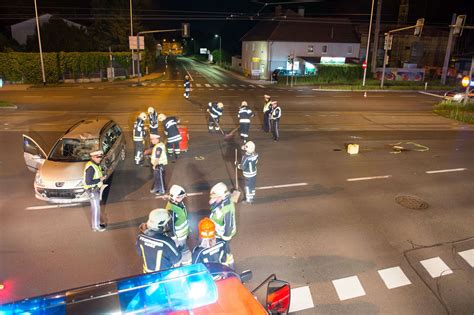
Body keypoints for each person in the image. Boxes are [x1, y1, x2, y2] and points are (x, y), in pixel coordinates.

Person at [136, 208, 182, 273]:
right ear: (160, 225)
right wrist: (178, 247)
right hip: (165, 275)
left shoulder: (140, 236)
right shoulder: (166, 242)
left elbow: (139, 252)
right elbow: (176, 259)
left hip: (147, 275)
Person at [209, 182, 236, 267]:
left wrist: (225, 239)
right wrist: (214, 202)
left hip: (223, 236)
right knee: (226, 251)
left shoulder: (227, 209)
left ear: (221, 196)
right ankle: (230, 264)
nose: (213, 199)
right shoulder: (222, 202)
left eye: (215, 197)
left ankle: (226, 269)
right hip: (219, 234)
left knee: (223, 254)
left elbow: (229, 225)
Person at [165, 185, 192, 265]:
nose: (182, 198)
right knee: (183, 251)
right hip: (179, 238)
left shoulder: (179, 204)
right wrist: (175, 240)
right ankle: (186, 264)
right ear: (174, 197)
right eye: (180, 197)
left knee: (183, 249)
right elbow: (170, 227)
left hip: (182, 235)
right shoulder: (171, 210)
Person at [83, 150, 107, 232]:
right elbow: (88, 181)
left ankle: (96, 224)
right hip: (92, 190)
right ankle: (96, 227)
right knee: (96, 208)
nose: (100, 159)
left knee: (96, 208)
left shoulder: (95, 165)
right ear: (93, 157)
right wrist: (100, 179)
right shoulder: (91, 167)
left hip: (95, 189)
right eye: (98, 157)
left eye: (100, 157)